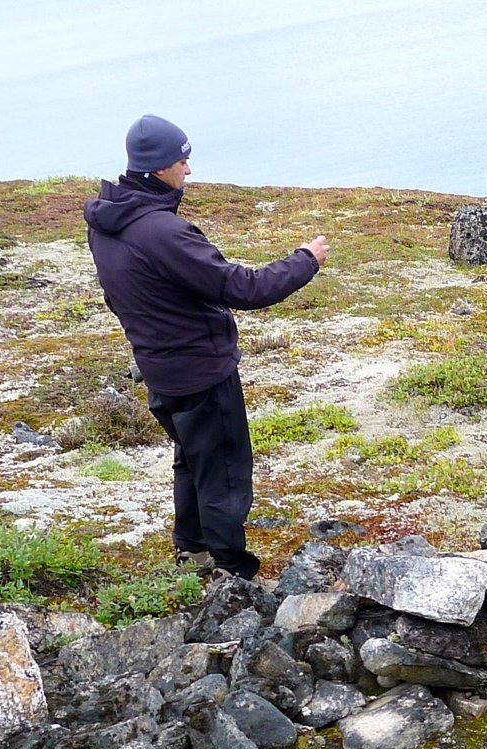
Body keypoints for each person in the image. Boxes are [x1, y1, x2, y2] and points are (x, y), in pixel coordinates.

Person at [84, 115, 326, 579]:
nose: (189, 170)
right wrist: (305, 260)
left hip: (159, 367)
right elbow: (242, 288)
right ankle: (232, 572)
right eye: (182, 159)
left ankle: (192, 551)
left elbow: (118, 296)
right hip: (200, 370)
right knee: (224, 472)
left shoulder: (105, 224)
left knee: (192, 460)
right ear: (159, 168)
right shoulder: (161, 232)